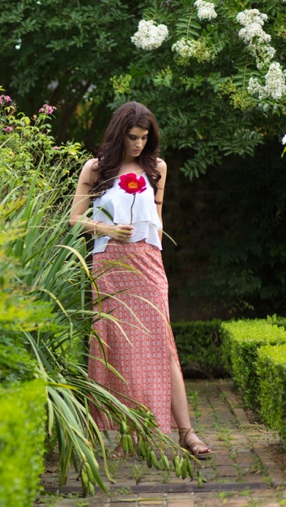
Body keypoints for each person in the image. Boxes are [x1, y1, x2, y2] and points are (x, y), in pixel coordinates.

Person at [68, 101, 212, 459]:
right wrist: (108, 229)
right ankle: (126, 431)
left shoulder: (157, 168)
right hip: (108, 264)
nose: (139, 145)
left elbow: (158, 223)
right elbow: (74, 220)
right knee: (115, 346)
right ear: (119, 134)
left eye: (145, 138)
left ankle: (187, 433)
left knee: (164, 346)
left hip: (147, 263)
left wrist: (150, 251)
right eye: (133, 137)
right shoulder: (96, 169)